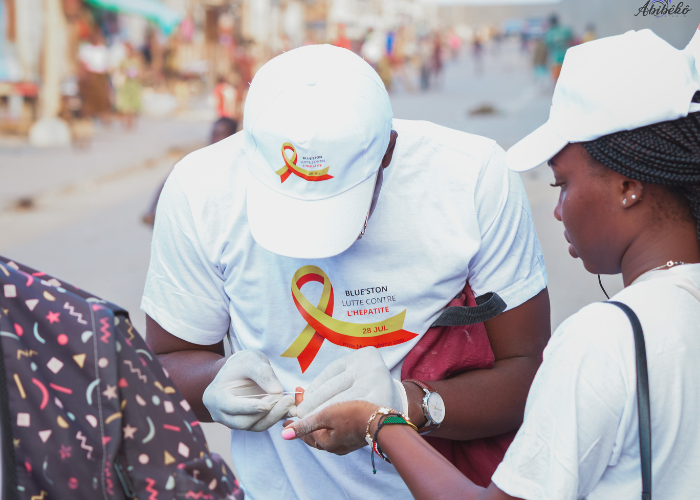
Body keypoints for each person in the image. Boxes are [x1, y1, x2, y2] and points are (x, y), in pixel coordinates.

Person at [283, 29, 700, 499]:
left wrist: (380, 420)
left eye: (561, 184)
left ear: (628, 186)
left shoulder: (604, 341)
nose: (558, 210)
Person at [142, 44, 549, 499]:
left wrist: (407, 404)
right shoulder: (201, 191)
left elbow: (529, 373)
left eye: (341, 206)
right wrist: (212, 384)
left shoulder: (472, 178)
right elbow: (166, 364)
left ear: (388, 150)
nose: (315, 242)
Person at [141, 117, 238, 226]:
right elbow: (168, 182)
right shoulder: (195, 157)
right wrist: (151, 210)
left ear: (232, 136)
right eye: (213, 134)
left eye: (220, 134)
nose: (214, 138)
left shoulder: (238, 164)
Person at [544, 14, 572, 83]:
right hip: (565, 58)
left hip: (555, 60)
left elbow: (547, 47)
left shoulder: (549, 33)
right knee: (566, 81)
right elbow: (571, 38)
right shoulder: (565, 30)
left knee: (557, 83)